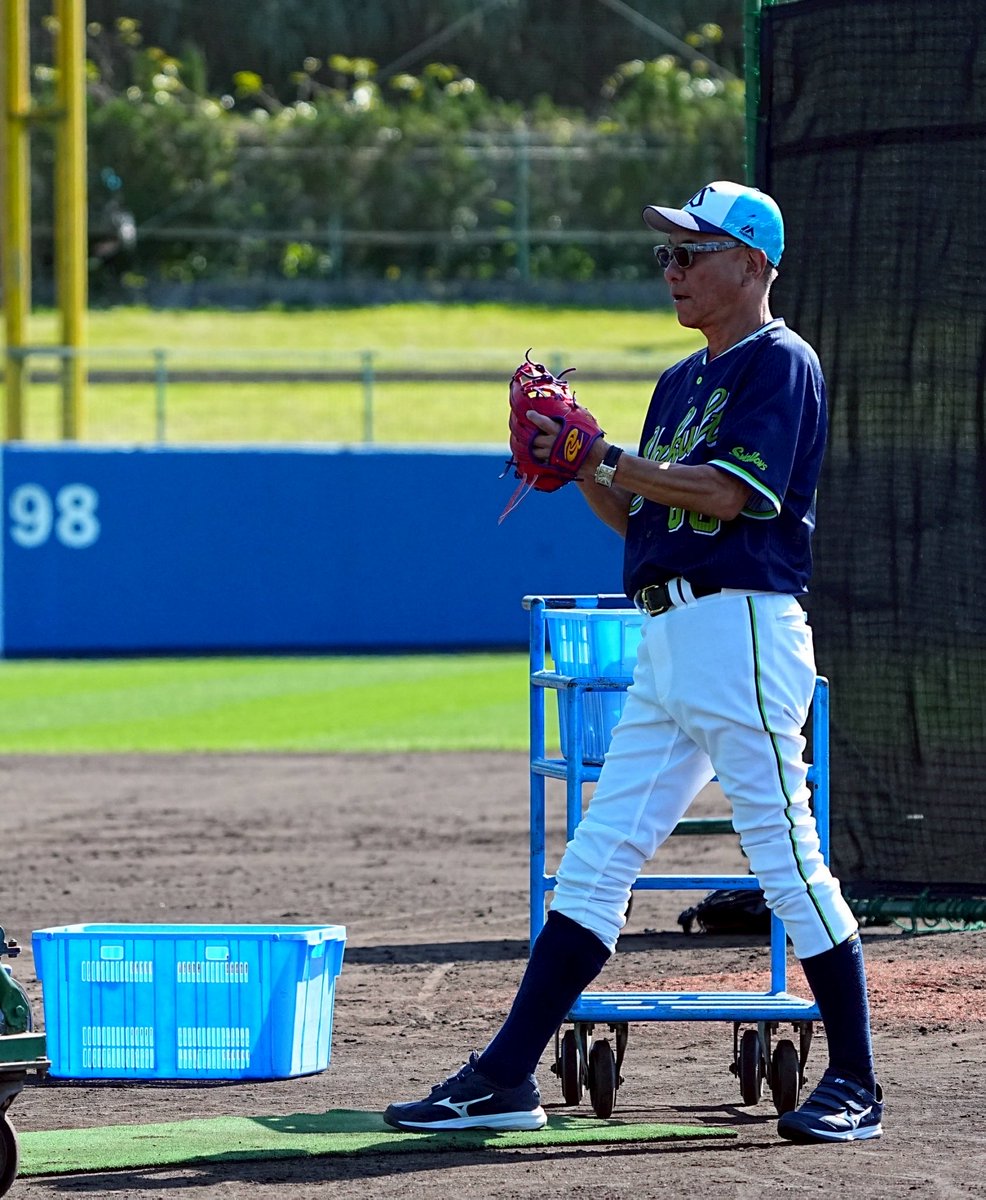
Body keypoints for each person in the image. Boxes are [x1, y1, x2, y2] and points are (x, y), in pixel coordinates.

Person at [384, 180, 882, 1145]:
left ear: (752, 263)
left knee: (785, 854)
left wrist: (603, 453)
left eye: (692, 253)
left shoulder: (781, 365)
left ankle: (858, 1079)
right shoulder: (678, 382)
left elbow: (731, 498)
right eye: (668, 255)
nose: (674, 270)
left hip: (741, 627)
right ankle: (505, 1076)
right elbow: (640, 512)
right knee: (600, 854)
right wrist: (578, 469)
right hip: (667, 636)